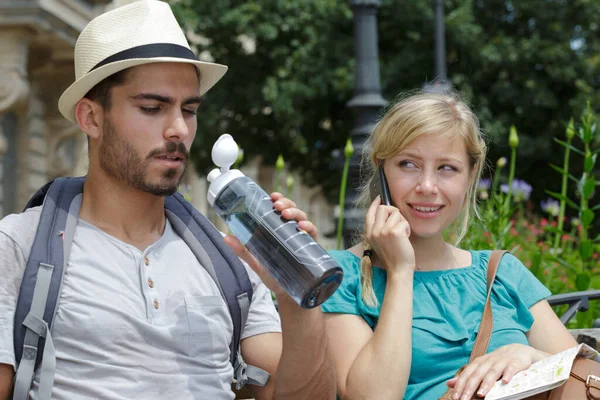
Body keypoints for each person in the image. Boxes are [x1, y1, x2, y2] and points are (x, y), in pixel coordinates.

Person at [0, 1, 335, 399]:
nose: (178, 129)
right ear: (90, 118)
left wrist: (297, 300)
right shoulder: (20, 245)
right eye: (152, 107)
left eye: (189, 110)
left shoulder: (225, 258)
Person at [320, 91, 577, 400]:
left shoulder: (500, 272)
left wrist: (530, 357)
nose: (427, 186)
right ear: (381, 172)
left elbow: (581, 377)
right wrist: (402, 271)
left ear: (470, 177)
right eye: (408, 164)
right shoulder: (340, 276)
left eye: (447, 168)